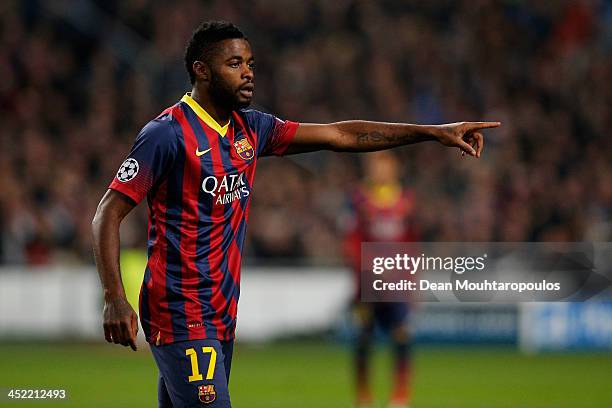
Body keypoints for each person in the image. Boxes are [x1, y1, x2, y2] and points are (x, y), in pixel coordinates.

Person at [91, 20, 499, 408]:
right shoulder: (167, 134)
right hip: (180, 307)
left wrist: (433, 132)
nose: (248, 73)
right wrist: (113, 297)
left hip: (220, 308)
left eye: (250, 64)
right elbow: (107, 213)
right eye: (234, 64)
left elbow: (340, 134)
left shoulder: (251, 129)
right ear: (202, 70)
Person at [343, 151, 418, 408]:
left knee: (402, 334)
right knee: (364, 337)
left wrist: (412, 279)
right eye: (375, 166)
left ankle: (400, 395)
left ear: (395, 169)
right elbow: (352, 241)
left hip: (397, 281)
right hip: (368, 282)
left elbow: (411, 243)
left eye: (385, 166)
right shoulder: (359, 199)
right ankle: (363, 394)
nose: (380, 171)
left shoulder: (406, 200)